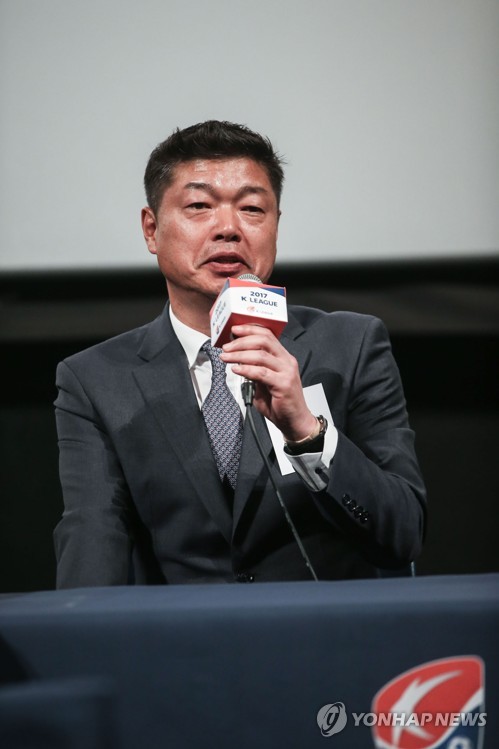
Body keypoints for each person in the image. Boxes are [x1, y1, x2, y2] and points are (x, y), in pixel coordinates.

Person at [54, 120, 426, 587]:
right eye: (199, 206)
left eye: (252, 208)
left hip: (325, 628)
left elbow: (403, 534)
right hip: (183, 633)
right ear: (151, 229)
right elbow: (93, 538)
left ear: (275, 225)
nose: (228, 229)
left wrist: (307, 431)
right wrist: (79, 627)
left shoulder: (350, 346)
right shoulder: (96, 380)